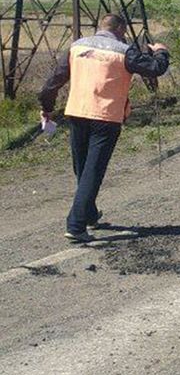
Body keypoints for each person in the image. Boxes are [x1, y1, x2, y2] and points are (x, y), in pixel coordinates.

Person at [38, 13, 170, 243]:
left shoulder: (77, 47)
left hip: (77, 113)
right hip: (106, 117)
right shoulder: (124, 51)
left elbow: (52, 82)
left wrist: (47, 107)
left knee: (82, 168)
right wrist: (161, 51)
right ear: (120, 29)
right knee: (93, 171)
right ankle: (76, 225)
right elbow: (155, 68)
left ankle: (89, 214)